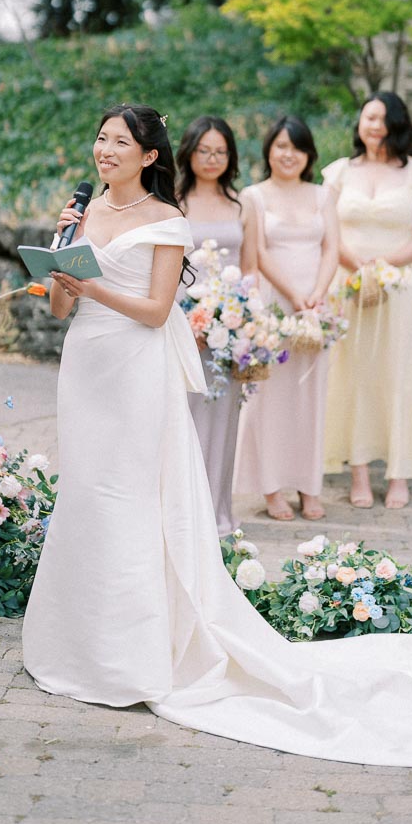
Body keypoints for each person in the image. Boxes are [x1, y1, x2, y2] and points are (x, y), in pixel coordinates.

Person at [21, 103, 412, 768]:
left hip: (137, 370)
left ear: (148, 155)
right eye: (100, 137)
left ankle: (137, 649)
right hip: (85, 368)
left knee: (130, 495)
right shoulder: (81, 214)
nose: (104, 149)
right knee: (87, 493)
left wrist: (94, 287)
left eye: (119, 141)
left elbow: (154, 311)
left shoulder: (166, 219)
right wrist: (60, 263)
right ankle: (80, 642)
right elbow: (62, 306)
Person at [322, 93, 412, 509]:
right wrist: (355, 264)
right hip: (347, 282)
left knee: (399, 374)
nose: (375, 125)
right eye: (369, 117)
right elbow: (327, 229)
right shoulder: (338, 173)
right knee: (351, 373)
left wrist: (386, 265)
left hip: (400, 285)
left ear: (397, 124)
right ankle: (357, 470)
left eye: (383, 118)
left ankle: (399, 472)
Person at [233, 115, 339, 521]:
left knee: (310, 395)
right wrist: (293, 295)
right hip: (274, 302)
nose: (287, 154)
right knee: (270, 398)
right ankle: (272, 487)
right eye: (279, 146)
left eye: (295, 147)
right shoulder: (253, 196)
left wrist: (317, 293)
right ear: (268, 151)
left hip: (314, 305)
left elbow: (331, 247)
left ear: (308, 153)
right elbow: (256, 252)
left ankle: (310, 487)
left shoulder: (322, 194)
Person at [176, 114, 247, 535]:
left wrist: (244, 319)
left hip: (230, 324)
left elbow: (249, 265)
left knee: (224, 417)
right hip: (184, 319)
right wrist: (187, 316)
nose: (211, 158)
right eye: (204, 150)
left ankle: (218, 510)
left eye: (220, 151)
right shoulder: (174, 200)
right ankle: (185, 511)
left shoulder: (240, 203)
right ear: (189, 151)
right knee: (185, 414)